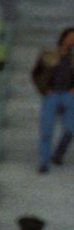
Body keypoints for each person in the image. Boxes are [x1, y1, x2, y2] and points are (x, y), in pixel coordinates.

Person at [32, 26, 74, 174]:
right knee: (47, 130)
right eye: (70, 37)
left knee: (70, 129)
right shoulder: (50, 54)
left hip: (68, 95)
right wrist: (44, 89)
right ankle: (44, 161)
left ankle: (58, 154)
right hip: (52, 95)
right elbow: (36, 73)